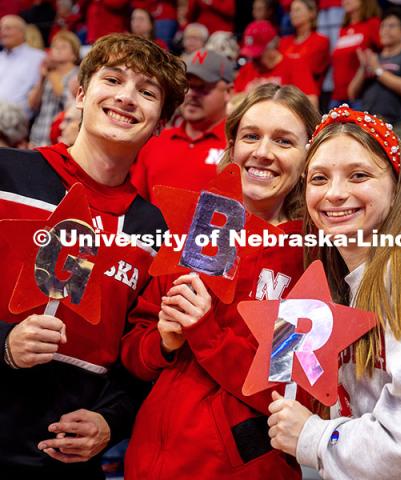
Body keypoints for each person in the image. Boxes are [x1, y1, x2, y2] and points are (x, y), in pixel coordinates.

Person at [0, 33, 187, 478]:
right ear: (81, 93)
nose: (126, 97)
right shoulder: (8, 175)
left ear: (160, 121)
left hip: (68, 465)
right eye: (113, 79)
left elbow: (138, 356)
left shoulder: (152, 229)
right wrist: (3, 344)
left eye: (147, 92)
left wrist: (111, 422)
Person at [266, 104, 401, 479]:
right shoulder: (345, 286)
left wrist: (315, 437)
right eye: (318, 178)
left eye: (358, 175)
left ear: (396, 187)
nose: (334, 193)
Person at [121, 83, 321, 479]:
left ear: (307, 159)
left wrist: (206, 333)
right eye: (251, 136)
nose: (262, 152)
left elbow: (287, 394)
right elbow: (135, 347)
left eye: (283, 141)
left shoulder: (310, 259)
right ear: (232, 145)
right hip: (146, 462)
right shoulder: (197, 229)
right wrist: (162, 342)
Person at [131, 48, 234, 198]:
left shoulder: (237, 146)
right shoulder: (155, 142)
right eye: (187, 86)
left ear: (228, 92)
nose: (192, 94)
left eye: (202, 87)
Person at [348, 8, 401, 158]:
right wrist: (363, 68)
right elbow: (352, 94)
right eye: (383, 26)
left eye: (392, 26)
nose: (385, 30)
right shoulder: (373, 58)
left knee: (400, 177)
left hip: (398, 128)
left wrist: (378, 71)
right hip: (367, 129)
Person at [234, 20, 318, 107]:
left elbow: (311, 103)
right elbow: (232, 103)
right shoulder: (247, 68)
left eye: (257, 55)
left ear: (272, 47)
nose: (253, 60)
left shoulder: (295, 65)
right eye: (251, 55)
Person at [29, 30, 81, 147]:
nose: (57, 50)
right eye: (54, 46)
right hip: (37, 137)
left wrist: (51, 74)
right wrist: (42, 78)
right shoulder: (46, 75)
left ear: (74, 54)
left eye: (63, 47)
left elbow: (66, 101)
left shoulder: (78, 75)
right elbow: (32, 104)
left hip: (61, 138)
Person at [330, 0, 381, 108]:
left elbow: (384, 54)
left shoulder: (373, 23)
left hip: (360, 97)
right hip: (337, 97)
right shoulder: (343, 29)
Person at [279, 0, 330, 99]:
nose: (293, 14)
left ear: (312, 13)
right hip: (284, 95)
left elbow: (309, 68)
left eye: (297, 10)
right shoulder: (284, 42)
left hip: (307, 96)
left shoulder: (320, 41)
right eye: (291, 11)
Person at [0, 15, 45, 118]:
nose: (2, 32)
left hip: (16, 121)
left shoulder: (38, 58)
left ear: (21, 32)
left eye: (8, 28)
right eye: (1, 28)